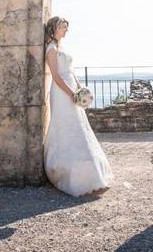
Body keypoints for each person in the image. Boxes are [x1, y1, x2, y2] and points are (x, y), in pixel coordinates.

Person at [43, 16, 113, 197]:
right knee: (67, 127)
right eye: (63, 27)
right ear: (55, 28)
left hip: (72, 89)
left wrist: (80, 88)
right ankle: (70, 176)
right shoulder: (51, 49)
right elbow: (56, 77)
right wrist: (71, 94)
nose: (66, 31)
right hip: (61, 92)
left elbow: (70, 71)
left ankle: (93, 177)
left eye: (66, 27)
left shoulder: (62, 47)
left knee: (80, 127)